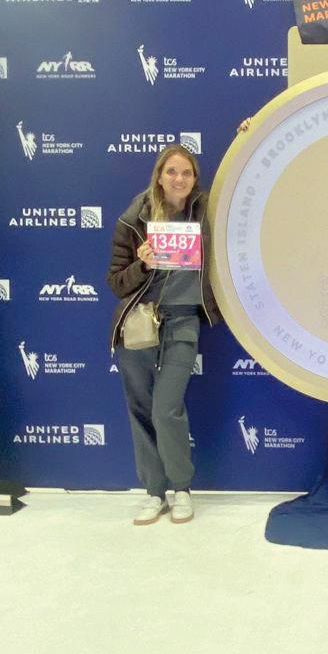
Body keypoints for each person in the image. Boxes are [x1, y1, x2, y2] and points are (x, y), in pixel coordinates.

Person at [107, 144, 220, 526]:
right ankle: (154, 493)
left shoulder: (206, 210)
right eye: (171, 171)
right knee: (140, 408)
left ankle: (182, 488)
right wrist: (142, 264)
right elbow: (116, 282)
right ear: (159, 175)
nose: (179, 179)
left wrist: (250, 130)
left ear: (194, 179)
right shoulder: (133, 217)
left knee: (166, 407)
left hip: (183, 321)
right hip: (139, 323)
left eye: (186, 173)